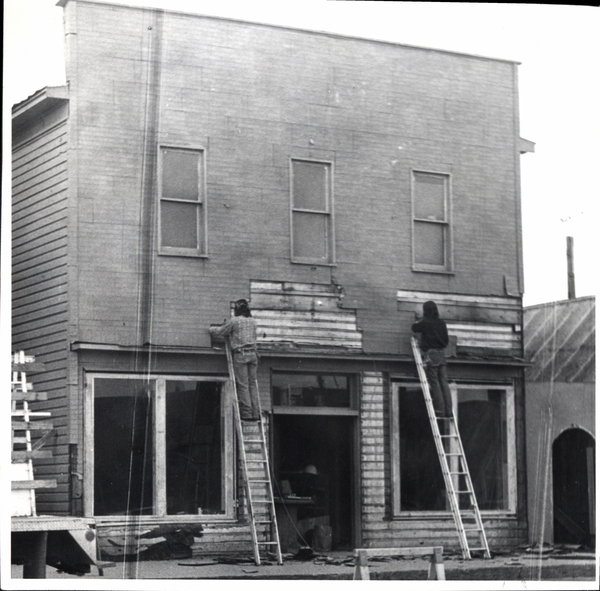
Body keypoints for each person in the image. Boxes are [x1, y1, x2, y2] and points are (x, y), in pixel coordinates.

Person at [210, 299, 260, 421]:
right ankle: (256, 413)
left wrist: (210, 329)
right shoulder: (253, 321)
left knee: (243, 385)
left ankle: (247, 414)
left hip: (241, 354)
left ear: (237, 310)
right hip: (253, 355)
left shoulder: (235, 321)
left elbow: (222, 331)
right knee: (252, 385)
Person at [411, 300, 453, 419]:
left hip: (431, 354)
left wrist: (419, 321)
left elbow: (414, 328)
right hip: (441, 355)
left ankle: (440, 410)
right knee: (444, 382)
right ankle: (449, 411)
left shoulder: (425, 322)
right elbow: (446, 341)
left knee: (434, 382)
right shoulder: (442, 323)